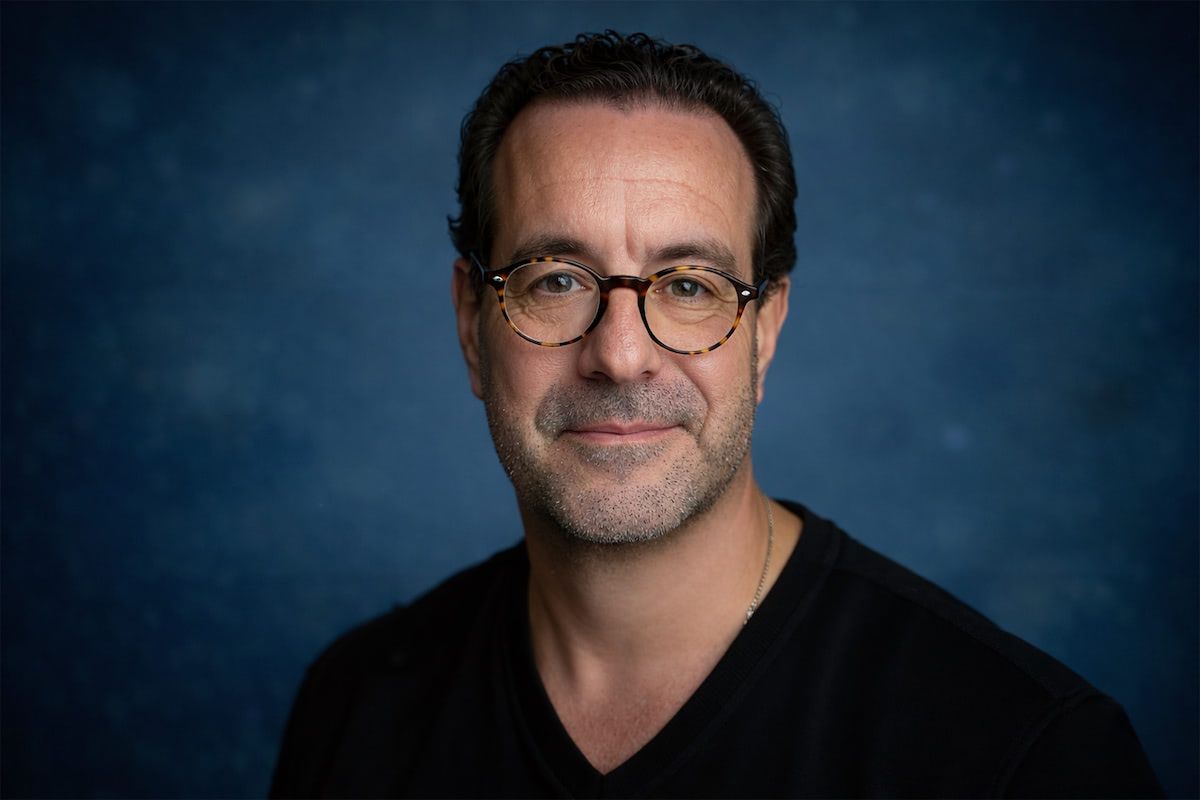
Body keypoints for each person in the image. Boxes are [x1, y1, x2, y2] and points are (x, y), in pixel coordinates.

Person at [270, 31, 1162, 798]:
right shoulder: (358, 709)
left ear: (764, 330)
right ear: (472, 322)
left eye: (690, 286)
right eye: (556, 280)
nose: (620, 355)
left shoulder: (1023, 755)